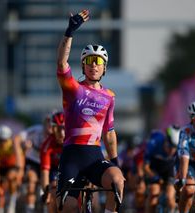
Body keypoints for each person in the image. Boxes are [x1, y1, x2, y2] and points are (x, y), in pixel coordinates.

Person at [56, 9, 125, 213]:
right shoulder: (73, 89)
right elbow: (61, 63)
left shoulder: (109, 96)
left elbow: (109, 133)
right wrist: (69, 32)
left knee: (117, 182)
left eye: (98, 62)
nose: (94, 65)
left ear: (104, 68)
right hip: (71, 157)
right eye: (89, 61)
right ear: (83, 66)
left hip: (95, 157)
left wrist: (115, 162)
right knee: (68, 207)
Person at [14, 114, 52, 211]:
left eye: (52, 123)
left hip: (50, 163)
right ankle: (29, 209)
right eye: (47, 122)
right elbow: (17, 139)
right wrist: (20, 153)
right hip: (34, 161)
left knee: (50, 187)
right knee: (31, 181)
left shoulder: (58, 134)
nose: (49, 125)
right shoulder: (36, 130)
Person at [143, 125, 180, 213]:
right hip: (154, 170)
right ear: (165, 141)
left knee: (170, 198)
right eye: (170, 146)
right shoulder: (154, 143)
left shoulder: (178, 150)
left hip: (169, 171)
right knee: (153, 194)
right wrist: (156, 178)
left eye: (175, 148)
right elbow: (146, 167)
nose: (172, 150)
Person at [0, 125, 25, 213]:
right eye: (0, 140)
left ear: (9, 139)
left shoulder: (13, 145)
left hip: (12, 167)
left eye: (5, 140)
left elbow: (20, 162)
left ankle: (12, 202)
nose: (2, 143)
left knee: (11, 177)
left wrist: (19, 175)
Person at [40, 111, 65, 213]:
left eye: (64, 129)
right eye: (58, 129)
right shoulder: (47, 145)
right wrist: (46, 191)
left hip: (73, 168)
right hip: (55, 171)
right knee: (53, 192)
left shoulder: (74, 140)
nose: (62, 134)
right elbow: (45, 172)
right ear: (53, 129)